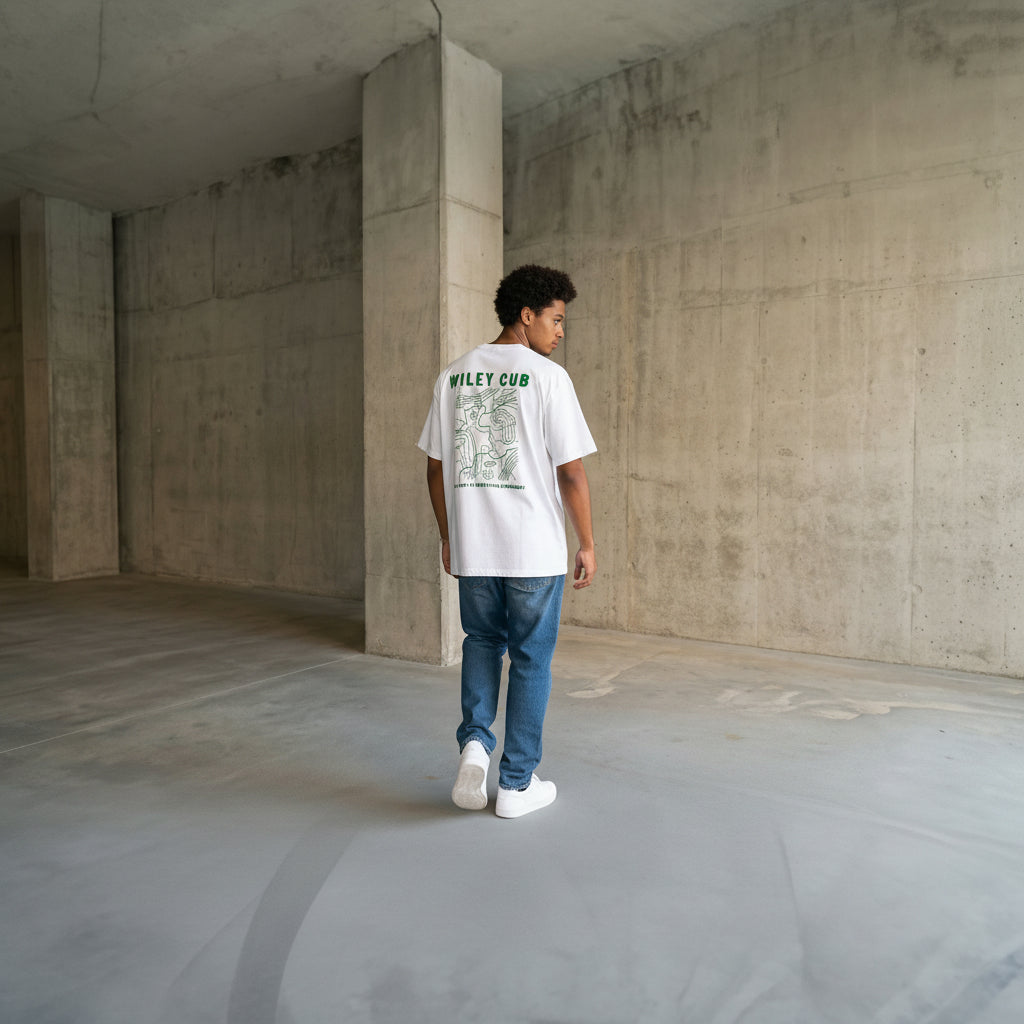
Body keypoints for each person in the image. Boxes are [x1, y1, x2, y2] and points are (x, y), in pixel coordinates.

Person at [417, 264, 597, 818]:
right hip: (532, 550)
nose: (560, 332)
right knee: (530, 660)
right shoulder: (548, 378)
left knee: (481, 642)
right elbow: (571, 473)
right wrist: (587, 542)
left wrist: (449, 535)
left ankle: (475, 745)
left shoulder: (453, 376)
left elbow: (434, 469)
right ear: (526, 315)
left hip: (474, 546)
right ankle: (516, 785)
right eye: (555, 319)